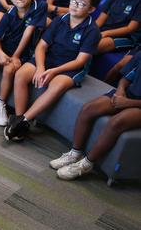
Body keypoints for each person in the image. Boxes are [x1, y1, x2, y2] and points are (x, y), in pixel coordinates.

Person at [5, 0, 102, 141]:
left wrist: (54, 71)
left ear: (91, 9)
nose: (75, 5)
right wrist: (41, 68)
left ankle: (23, 120)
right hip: (50, 59)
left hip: (70, 67)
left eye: (82, 4)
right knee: (21, 74)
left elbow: (80, 60)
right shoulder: (60, 20)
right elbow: (41, 46)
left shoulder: (92, 31)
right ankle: (19, 117)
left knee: (57, 85)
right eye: (74, 0)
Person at [51, 49, 141, 180]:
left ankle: (86, 164)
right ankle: (75, 153)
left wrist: (127, 103)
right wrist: (121, 91)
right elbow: (126, 78)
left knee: (117, 122)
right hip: (128, 95)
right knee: (89, 108)